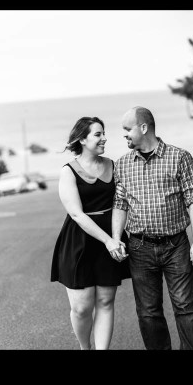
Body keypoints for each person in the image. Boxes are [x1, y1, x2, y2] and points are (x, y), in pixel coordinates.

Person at [112, 106, 193, 350]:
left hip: (176, 245)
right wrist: (115, 238)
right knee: (148, 312)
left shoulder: (179, 157)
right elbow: (120, 204)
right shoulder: (122, 165)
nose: (124, 135)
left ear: (143, 128)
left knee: (186, 307)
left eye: (127, 129)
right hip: (139, 248)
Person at [51, 117, 131, 350]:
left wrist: (115, 238)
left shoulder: (113, 165)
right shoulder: (68, 171)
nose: (104, 138)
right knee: (82, 307)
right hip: (79, 242)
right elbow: (76, 214)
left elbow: (121, 203)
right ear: (83, 139)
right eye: (98, 134)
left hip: (111, 236)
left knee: (106, 301)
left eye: (103, 133)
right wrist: (108, 241)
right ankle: (85, 347)